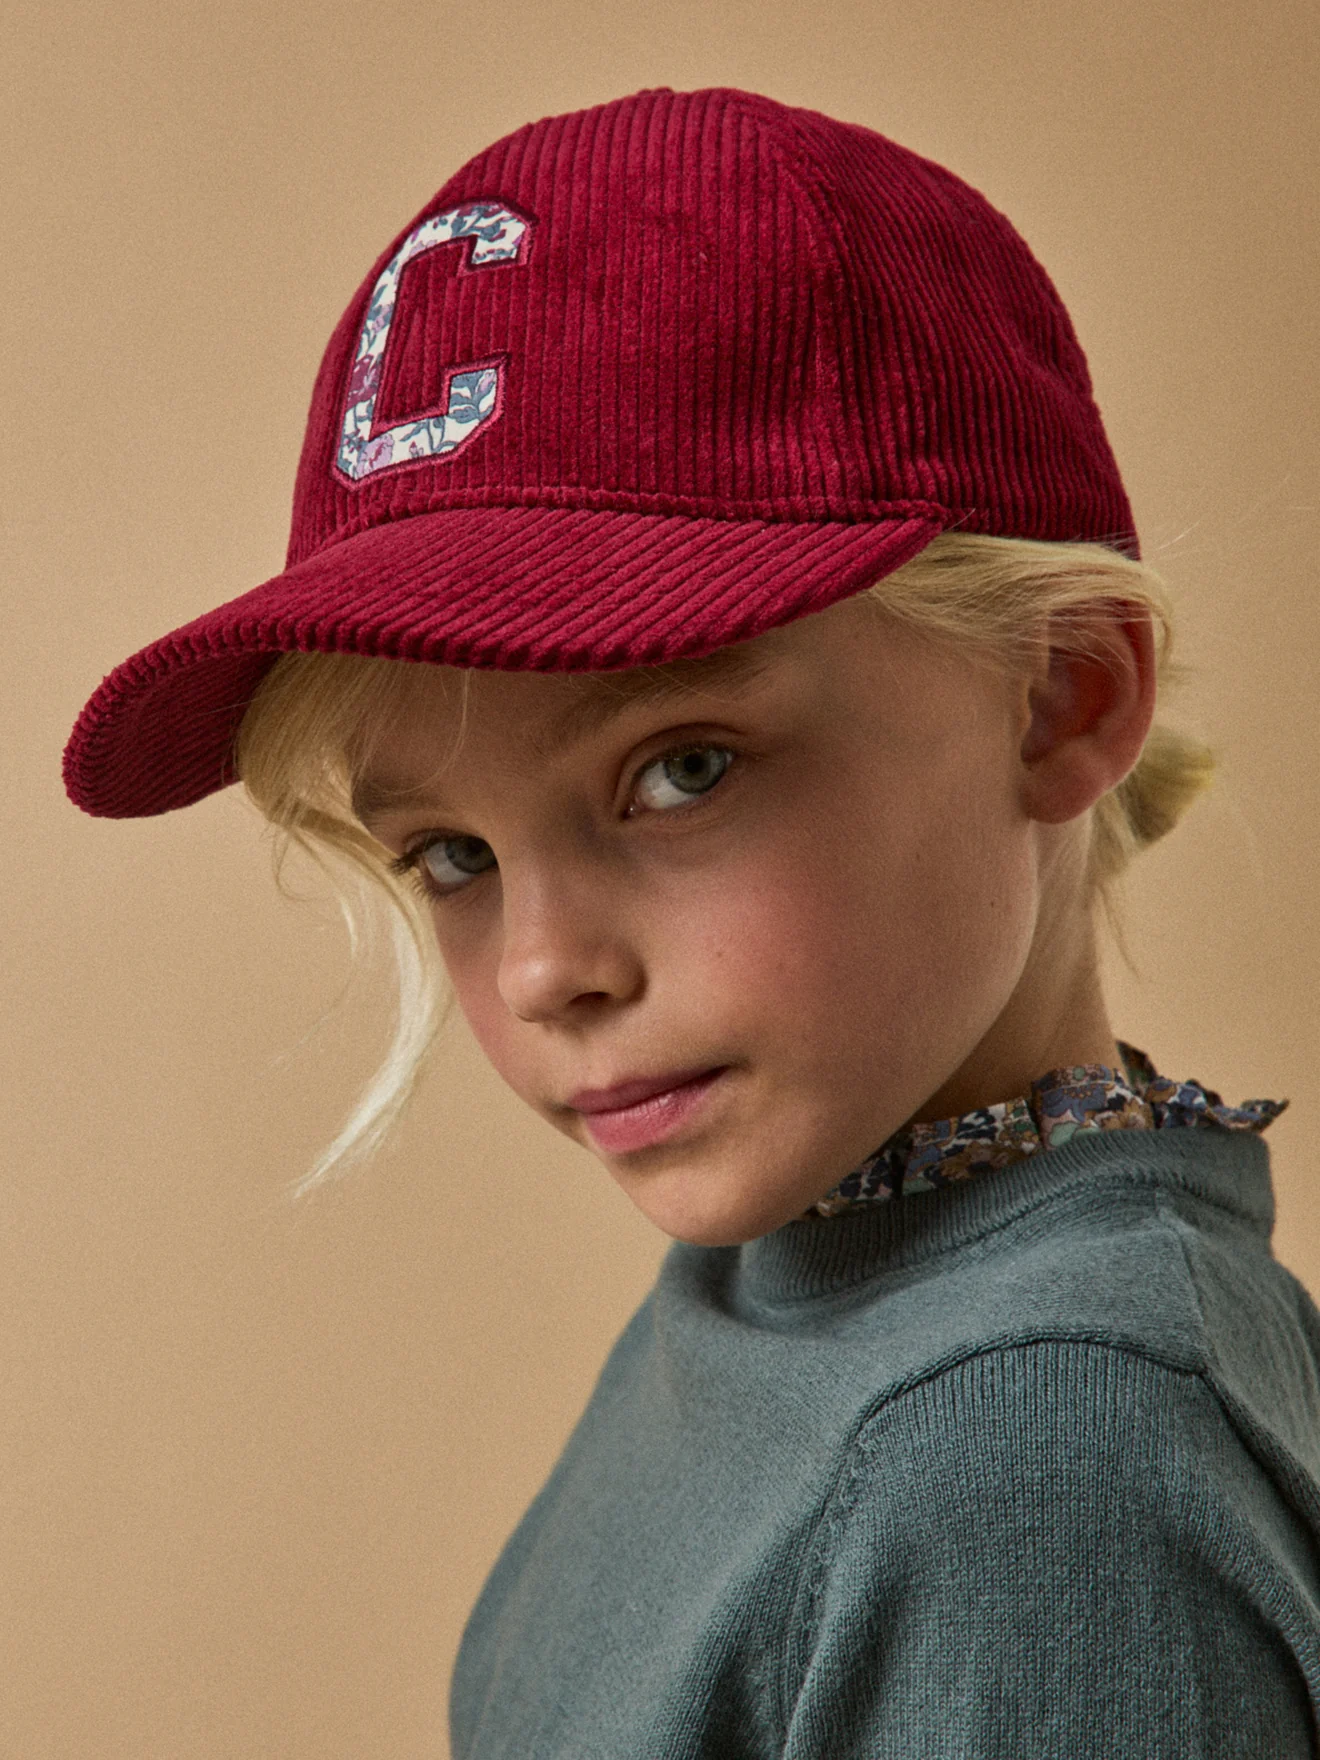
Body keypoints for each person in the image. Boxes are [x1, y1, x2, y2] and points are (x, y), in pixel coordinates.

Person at [63, 85, 1320, 1757]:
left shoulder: (1032, 1457)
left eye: (683, 769)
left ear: (1061, 698)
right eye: (451, 854)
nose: (544, 969)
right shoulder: (817, 1250)